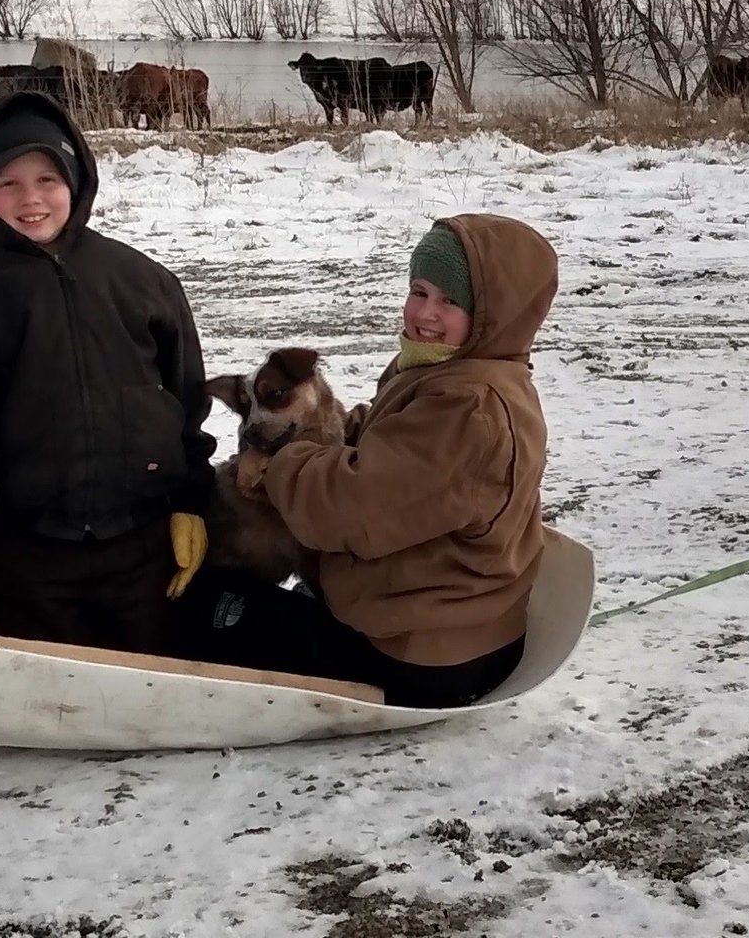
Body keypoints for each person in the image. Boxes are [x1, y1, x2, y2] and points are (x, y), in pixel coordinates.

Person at [169, 214, 558, 708]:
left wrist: (277, 461)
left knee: (204, 608)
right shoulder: (452, 371)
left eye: (451, 301)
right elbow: (391, 442)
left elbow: (350, 510)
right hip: (444, 619)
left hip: (426, 655)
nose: (426, 314)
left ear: (495, 314)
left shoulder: (470, 409)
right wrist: (331, 431)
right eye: (419, 291)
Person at [0, 89, 214, 651]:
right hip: (25, 558)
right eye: (8, 183)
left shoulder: (142, 281)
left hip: (141, 551)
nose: (30, 199)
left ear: (76, 180)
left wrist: (191, 502)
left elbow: (186, 404)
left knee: (148, 702)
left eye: (47, 180)